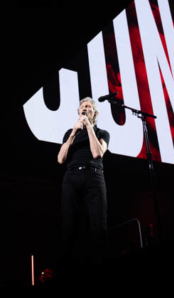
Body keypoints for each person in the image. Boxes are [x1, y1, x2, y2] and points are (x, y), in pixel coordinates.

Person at [57, 97, 110, 273]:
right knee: (68, 224)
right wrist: (73, 132)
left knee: (98, 224)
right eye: (82, 107)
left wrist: (88, 127)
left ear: (95, 113)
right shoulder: (69, 133)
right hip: (72, 176)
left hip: (94, 176)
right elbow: (60, 159)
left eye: (88, 107)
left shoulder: (102, 133)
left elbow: (97, 153)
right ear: (79, 112)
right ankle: (66, 268)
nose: (85, 109)